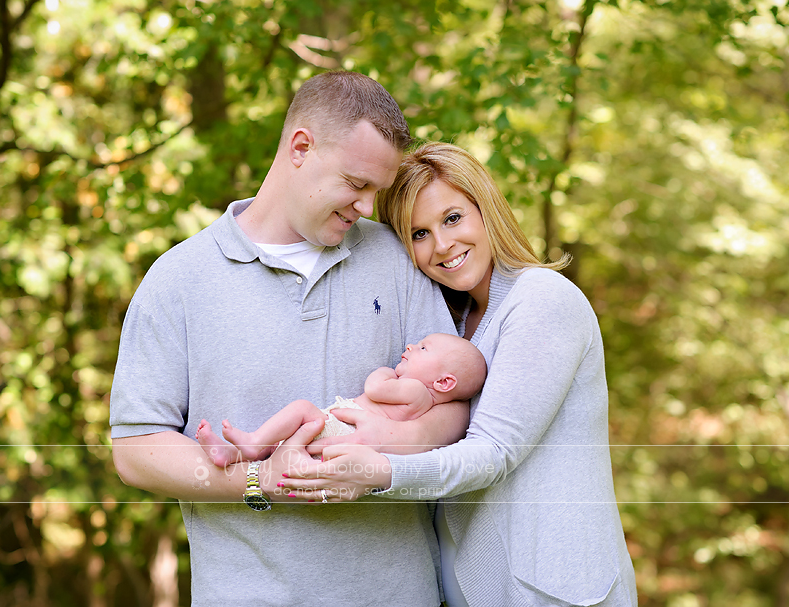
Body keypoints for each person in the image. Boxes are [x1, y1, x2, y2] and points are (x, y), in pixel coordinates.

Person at [109, 73, 472, 606]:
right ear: (301, 148)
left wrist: (384, 447)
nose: (368, 208)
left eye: (377, 190)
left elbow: (458, 403)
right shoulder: (178, 279)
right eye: (356, 183)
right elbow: (136, 450)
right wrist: (261, 479)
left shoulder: (396, 259)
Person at [281, 142, 638, 606]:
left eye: (452, 219)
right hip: (474, 586)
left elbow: (493, 453)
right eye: (419, 234)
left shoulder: (542, 299)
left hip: (559, 590)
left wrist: (380, 471)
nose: (443, 245)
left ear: (485, 208)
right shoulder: (452, 326)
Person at [196, 333, 487, 467]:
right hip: (344, 435)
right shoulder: (423, 399)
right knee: (281, 447)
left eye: (423, 347)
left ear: (444, 382)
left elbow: (374, 389)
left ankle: (253, 441)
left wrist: (385, 371)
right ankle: (230, 455)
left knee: (302, 410)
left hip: (342, 431)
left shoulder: (414, 391)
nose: (411, 345)